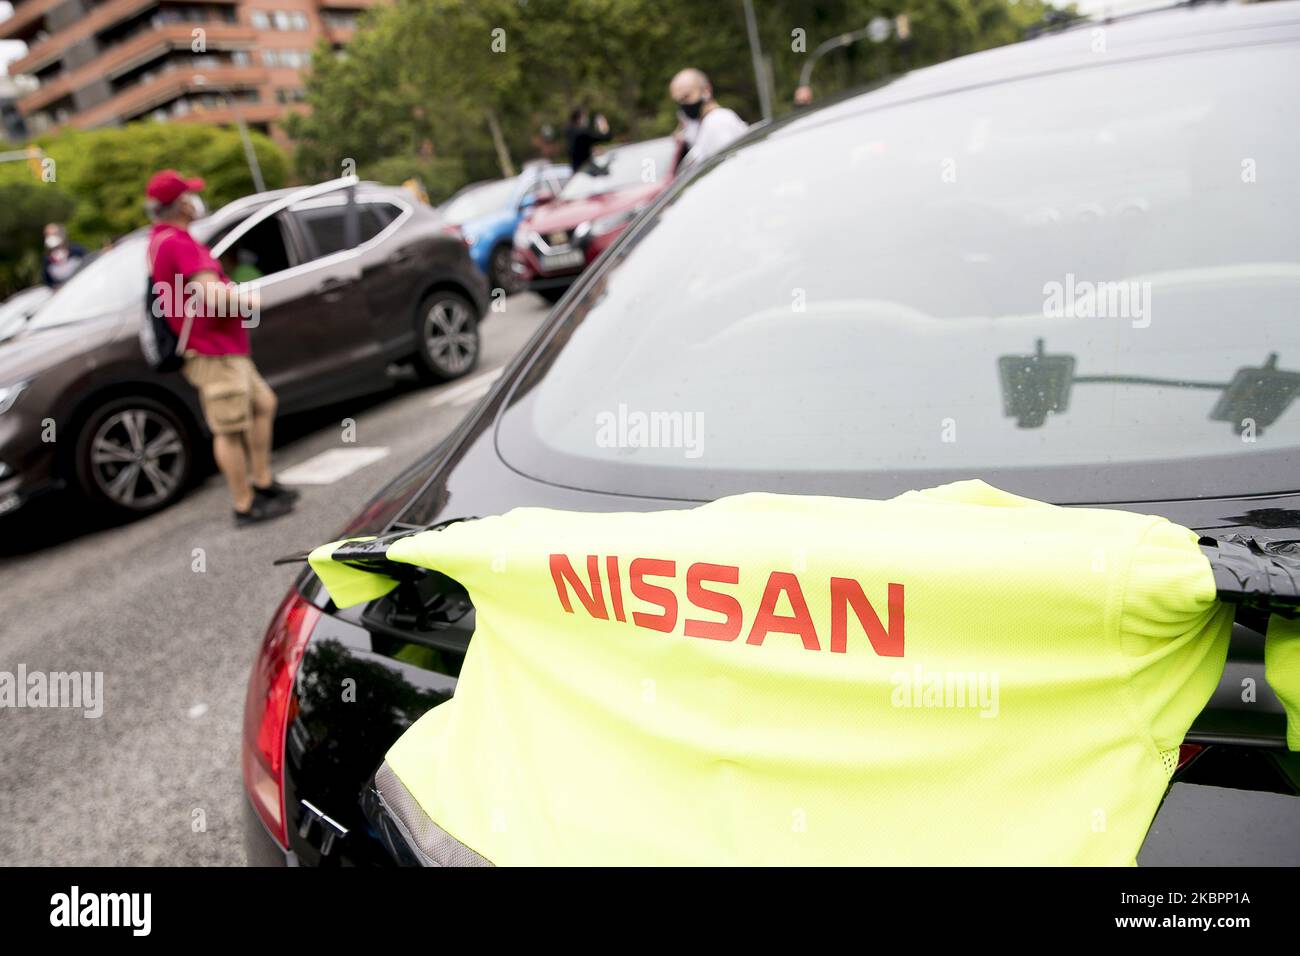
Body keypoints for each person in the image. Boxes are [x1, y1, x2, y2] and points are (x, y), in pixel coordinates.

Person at [145, 169, 298, 527]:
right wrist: (248, 300)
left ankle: (262, 482)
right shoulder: (177, 243)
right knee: (229, 428)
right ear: (181, 204)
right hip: (211, 350)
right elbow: (210, 295)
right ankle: (244, 505)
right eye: (190, 195)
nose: (196, 201)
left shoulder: (161, 241)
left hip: (223, 346)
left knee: (262, 404)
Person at [669, 68, 749, 168]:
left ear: (707, 90)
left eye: (686, 97)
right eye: (679, 101)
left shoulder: (718, 121)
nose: (683, 105)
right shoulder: (701, 125)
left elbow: (731, 168)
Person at [564, 107, 610, 172]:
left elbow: (578, 147)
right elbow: (606, 137)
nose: (586, 119)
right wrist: (603, 124)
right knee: (606, 171)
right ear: (579, 118)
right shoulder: (582, 133)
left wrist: (592, 150)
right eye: (585, 117)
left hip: (576, 168)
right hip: (585, 167)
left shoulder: (569, 130)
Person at [41, 223, 87, 288]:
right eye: (48, 235)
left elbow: (91, 260)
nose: (51, 237)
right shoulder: (47, 259)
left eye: (54, 234)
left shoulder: (76, 250)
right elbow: (47, 281)